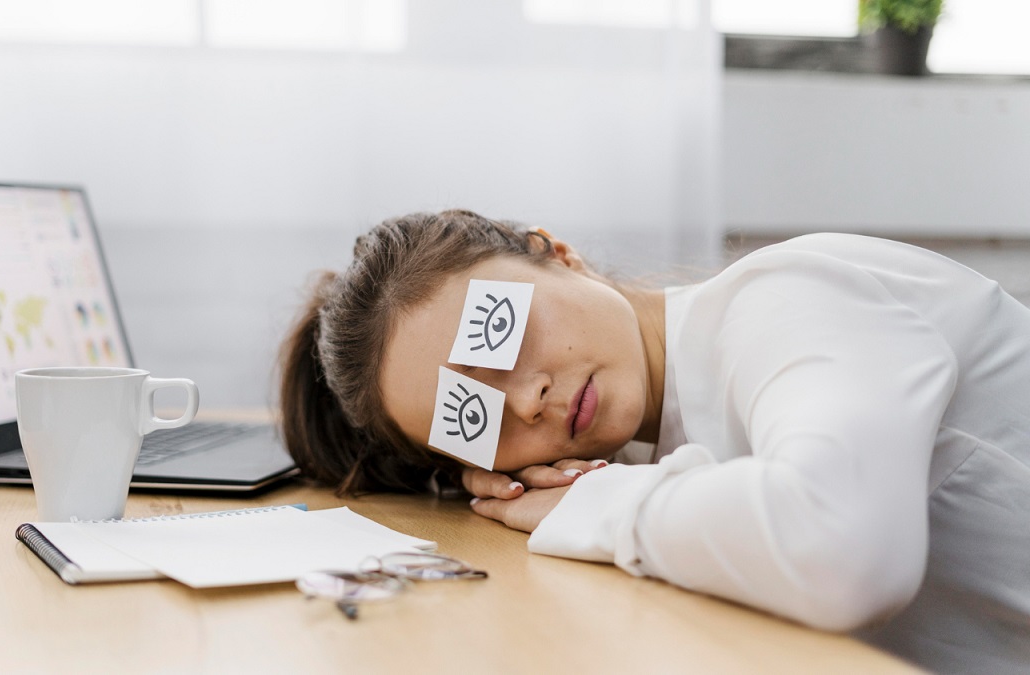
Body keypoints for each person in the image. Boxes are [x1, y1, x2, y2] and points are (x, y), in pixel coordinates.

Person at [280, 209, 1030, 673]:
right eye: (472, 417)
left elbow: (846, 555)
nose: (525, 398)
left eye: (500, 331)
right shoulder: (637, 446)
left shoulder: (789, 297)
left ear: (557, 251)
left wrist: (602, 505)